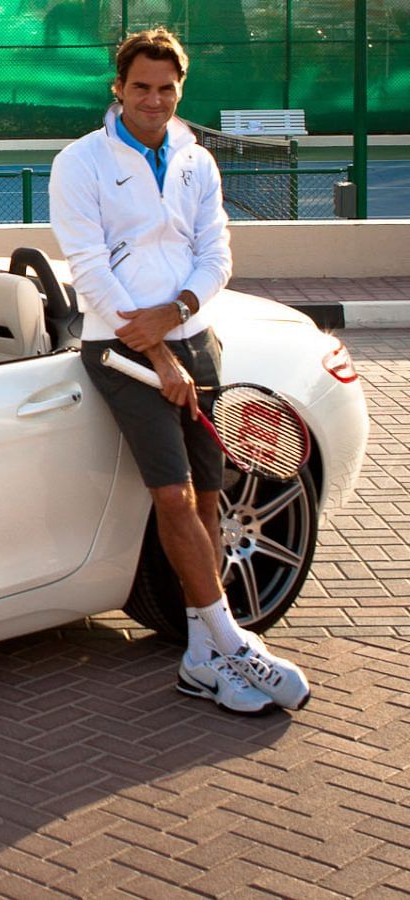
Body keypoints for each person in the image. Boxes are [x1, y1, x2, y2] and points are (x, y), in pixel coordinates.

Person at [49, 28, 310, 715]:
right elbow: (91, 269)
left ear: (179, 90)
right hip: (119, 350)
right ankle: (232, 640)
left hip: (194, 339)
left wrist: (179, 315)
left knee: (204, 499)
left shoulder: (197, 162)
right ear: (118, 88)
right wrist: (156, 351)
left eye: (167, 88)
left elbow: (215, 253)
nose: (154, 100)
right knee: (169, 495)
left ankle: (200, 661)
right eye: (141, 87)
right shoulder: (79, 163)